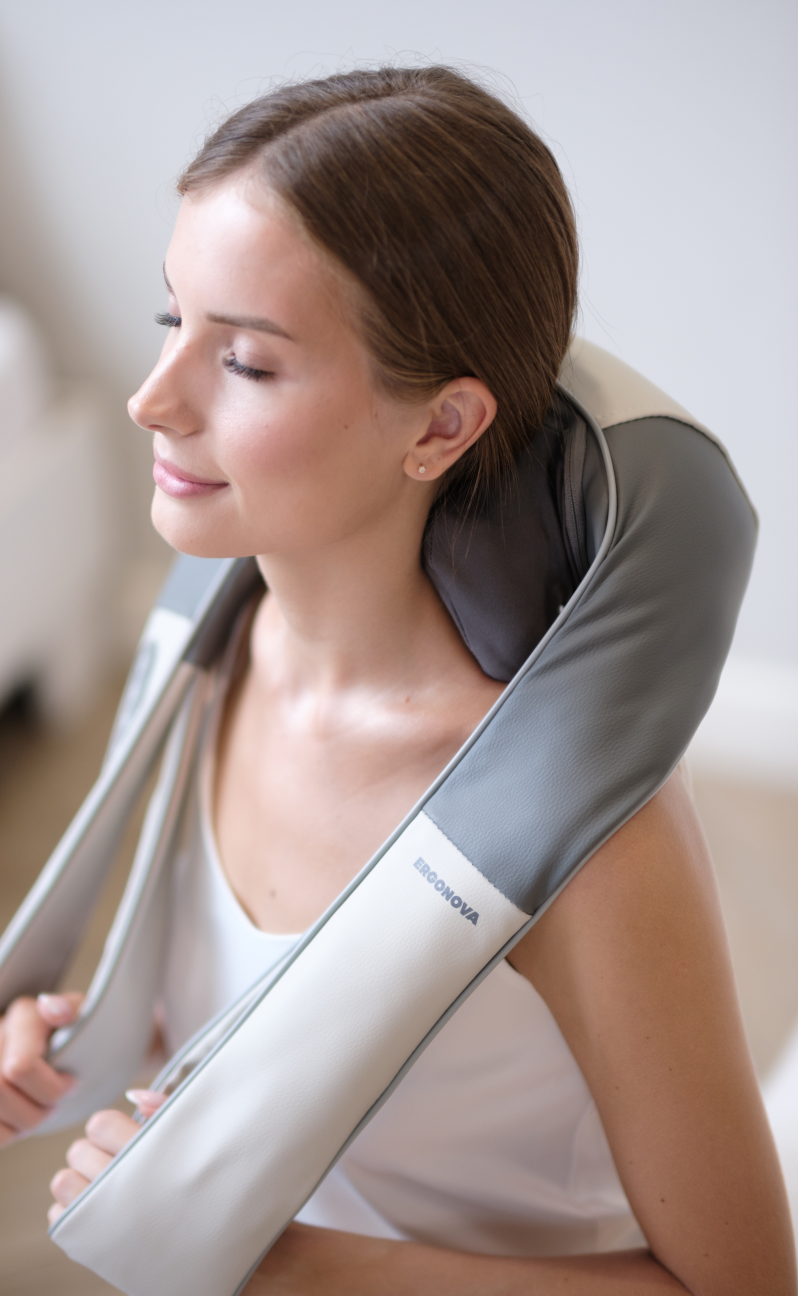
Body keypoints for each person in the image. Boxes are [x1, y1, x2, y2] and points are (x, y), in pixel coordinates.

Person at [0, 66, 795, 1295]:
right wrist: (88, 1054)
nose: (151, 399)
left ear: (440, 428)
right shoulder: (211, 658)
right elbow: (314, 1025)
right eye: (172, 318)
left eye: (247, 363)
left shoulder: (583, 835)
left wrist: (291, 1266)